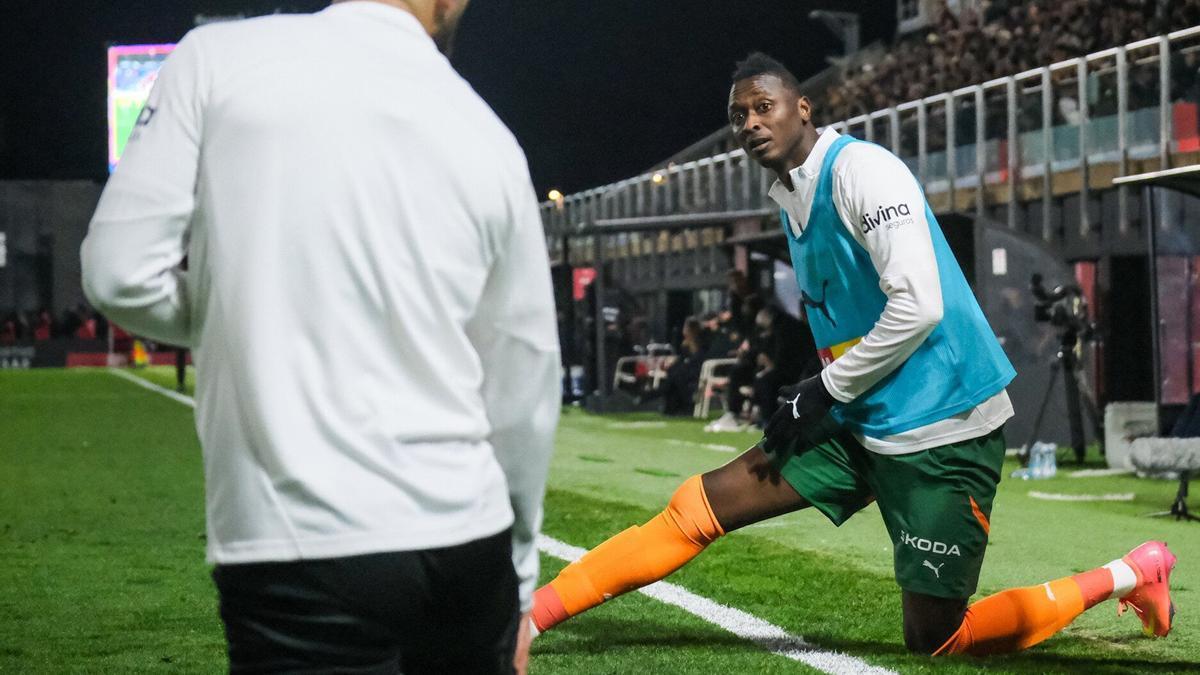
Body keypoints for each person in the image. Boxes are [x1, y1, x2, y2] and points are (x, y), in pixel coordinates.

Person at [528, 53, 1176, 655]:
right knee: (694, 507)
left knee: (939, 638)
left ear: (802, 109)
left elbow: (918, 306)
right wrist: (826, 387)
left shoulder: (865, 172)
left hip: (941, 427)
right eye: (739, 116)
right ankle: (529, 619)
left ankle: (1131, 571)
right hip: (862, 412)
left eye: (764, 107)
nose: (751, 124)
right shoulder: (789, 194)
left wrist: (823, 389)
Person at [80, 1, 560, 672]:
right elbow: (524, 381)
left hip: (306, 540)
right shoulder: (487, 132)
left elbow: (118, 273)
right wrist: (519, 585)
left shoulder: (216, 59)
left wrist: (261, 304)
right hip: (468, 546)